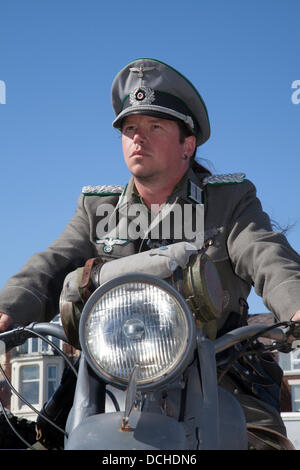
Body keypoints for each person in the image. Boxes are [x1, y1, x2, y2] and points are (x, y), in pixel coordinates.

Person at [0, 58, 300, 448]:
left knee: (261, 441)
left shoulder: (228, 200)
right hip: (111, 364)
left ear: (187, 144)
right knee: (49, 439)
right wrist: (7, 311)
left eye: (154, 127)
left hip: (217, 361)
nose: (137, 138)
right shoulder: (98, 208)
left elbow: (266, 254)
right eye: (129, 129)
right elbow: (51, 264)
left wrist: (295, 305)